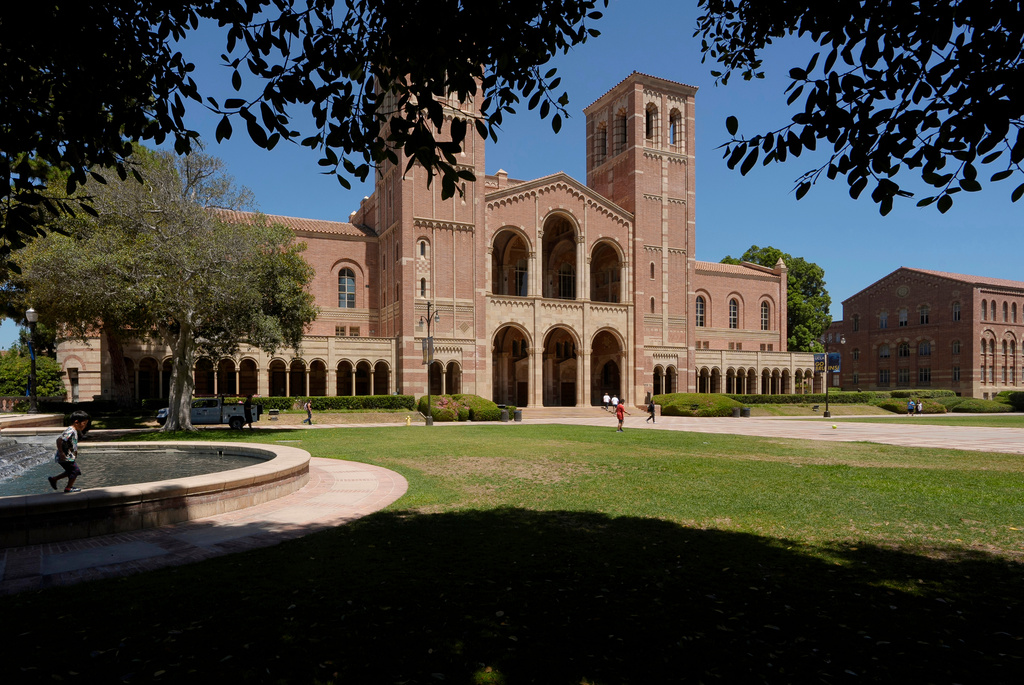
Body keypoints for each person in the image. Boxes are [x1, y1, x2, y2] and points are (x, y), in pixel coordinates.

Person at [47, 410, 90, 493]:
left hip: (68, 456)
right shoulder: (70, 430)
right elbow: (59, 440)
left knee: (70, 471)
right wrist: (61, 452)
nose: (85, 426)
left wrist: (75, 452)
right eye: (84, 423)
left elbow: (71, 443)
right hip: (65, 456)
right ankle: (68, 488)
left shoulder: (74, 430)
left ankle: (54, 479)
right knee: (75, 471)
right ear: (76, 422)